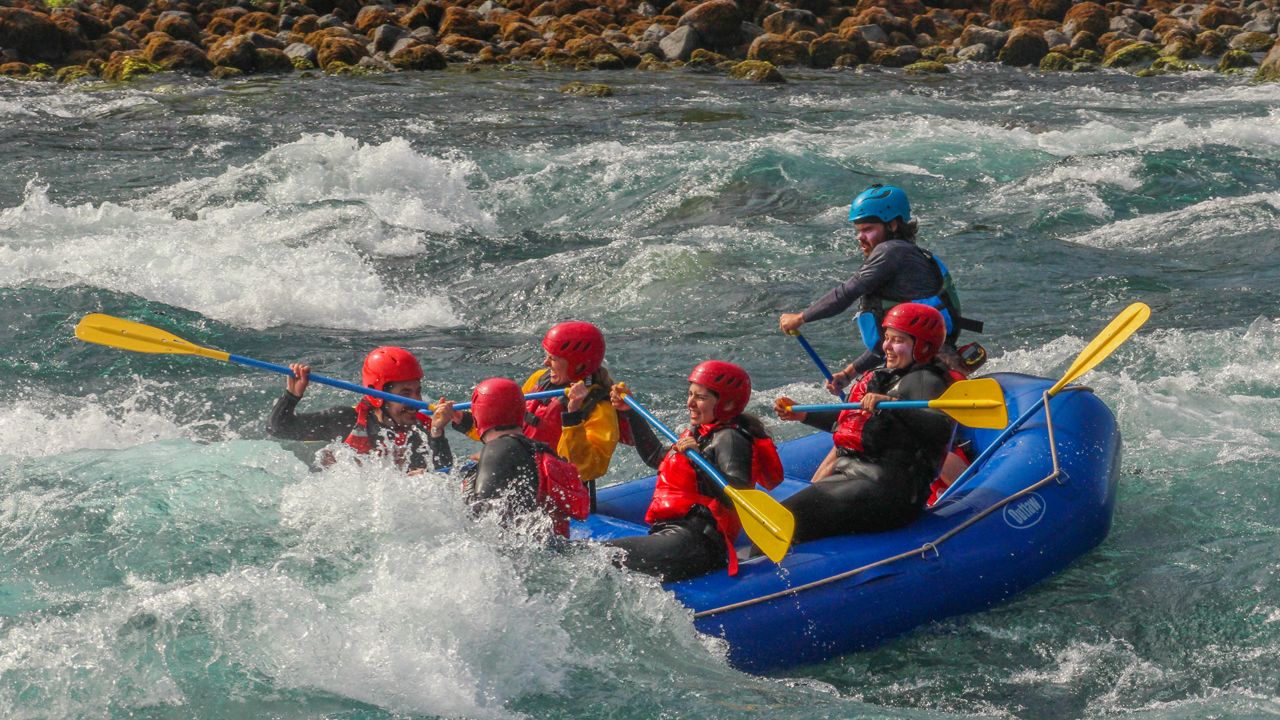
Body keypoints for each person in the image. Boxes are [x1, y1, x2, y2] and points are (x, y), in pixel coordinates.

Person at [772, 304, 956, 544]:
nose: (887, 347)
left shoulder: (925, 380)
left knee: (785, 520)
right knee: (785, 518)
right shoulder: (887, 376)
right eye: (887, 338)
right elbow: (853, 424)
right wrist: (804, 415)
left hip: (891, 491)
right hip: (854, 475)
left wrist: (893, 406)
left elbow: (939, 429)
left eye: (897, 340)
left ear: (922, 346)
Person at [605, 361, 783, 582]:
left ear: (726, 403)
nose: (690, 403)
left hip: (698, 542)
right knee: (593, 556)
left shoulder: (730, 439)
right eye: (690, 394)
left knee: (602, 556)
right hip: (675, 534)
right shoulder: (701, 432)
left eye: (700, 397)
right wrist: (631, 413)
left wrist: (701, 460)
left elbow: (738, 496)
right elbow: (656, 456)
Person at [778, 183, 983, 375]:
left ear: (893, 225)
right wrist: (850, 373)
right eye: (858, 230)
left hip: (924, 367)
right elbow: (897, 337)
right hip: (927, 360)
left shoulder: (890, 251)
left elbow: (848, 292)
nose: (860, 237)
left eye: (868, 229)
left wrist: (801, 318)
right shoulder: (907, 255)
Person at [450, 321, 620, 510]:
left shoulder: (600, 408)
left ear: (578, 364)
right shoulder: (539, 380)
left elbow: (584, 469)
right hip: (518, 473)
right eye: (547, 356)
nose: (545, 363)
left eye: (553, 358)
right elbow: (507, 428)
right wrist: (463, 420)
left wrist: (573, 416)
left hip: (557, 495)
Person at [438, 377, 588, 538]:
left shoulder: (498, 450)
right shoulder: (537, 450)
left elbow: (480, 517)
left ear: (477, 417)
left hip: (515, 555)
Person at [267, 346, 452, 473]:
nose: (416, 401)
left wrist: (438, 433)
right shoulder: (345, 419)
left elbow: (445, 476)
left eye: (417, 391)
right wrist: (292, 395)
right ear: (377, 395)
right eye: (405, 393)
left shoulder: (423, 430)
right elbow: (278, 429)